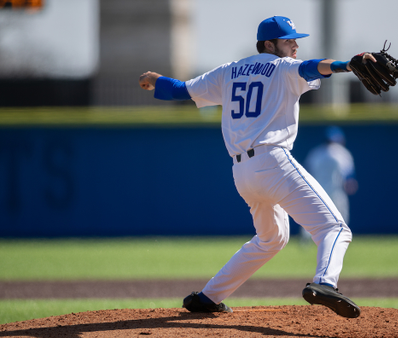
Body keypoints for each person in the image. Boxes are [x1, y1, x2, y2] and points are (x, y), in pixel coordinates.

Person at [139, 16, 375, 318]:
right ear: (269, 45)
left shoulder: (228, 71)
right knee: (334, 227)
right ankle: (325, 283)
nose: (295, 46)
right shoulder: (284, 67)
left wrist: (153, 79)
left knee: (272, 238)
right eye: (289, 41)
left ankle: (209, 297)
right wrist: (347, 65)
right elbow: (313, 66)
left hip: (242, 173)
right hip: (273, 162)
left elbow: (180, 90)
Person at [301, 126, 358, 244]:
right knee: (341, 214)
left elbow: (306, 171)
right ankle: (342, 239)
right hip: (336, 190)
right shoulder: (342, 153)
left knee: (312, 214)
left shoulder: (316, 152)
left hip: (318, 188)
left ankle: (305, 239)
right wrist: (350, 182)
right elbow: (348, 176)